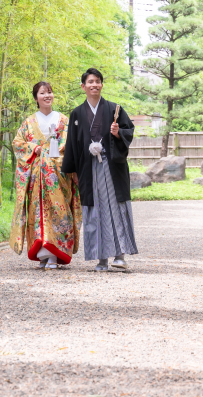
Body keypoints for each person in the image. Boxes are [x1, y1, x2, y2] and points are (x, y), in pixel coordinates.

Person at [61, 68, 138, 272]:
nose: (94, 85)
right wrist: (73, 171)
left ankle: (120, 255)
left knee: (115, 208)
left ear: (102, 85)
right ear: (83, 86)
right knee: (95, 211)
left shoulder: (114, 109)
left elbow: (129, 131)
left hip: (111, 166)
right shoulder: (77, 113)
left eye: (98, 81)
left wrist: (118, 132)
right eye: (90, 81)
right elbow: (72, 145)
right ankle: (101, 258)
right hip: (89, 168)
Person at [10, 81, 81, 270]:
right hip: (36, 176)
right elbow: (18, 144)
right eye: (43, 93)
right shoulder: (28, 122)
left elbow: (73, 143)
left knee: (60, 211)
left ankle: (56, 254)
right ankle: (42, 253)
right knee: (38, 211)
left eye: (50, 92)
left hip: (59, 174)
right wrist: (36, 148)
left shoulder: (64, 120)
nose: (47, 96)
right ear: (36, 98)